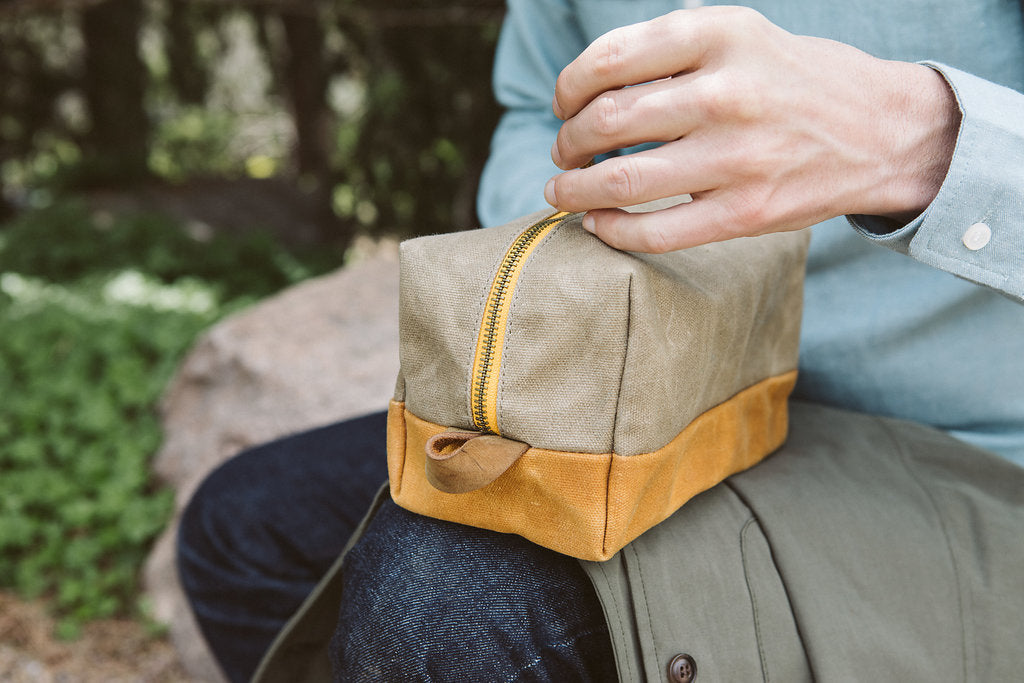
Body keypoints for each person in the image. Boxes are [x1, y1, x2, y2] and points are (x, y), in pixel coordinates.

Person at [178, 1, 1024, 681]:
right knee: (244, 527)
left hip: (972, 449)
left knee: (440, 600)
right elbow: (526, 108)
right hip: (672, 394)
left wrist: (920, 138)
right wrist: (610, 230)